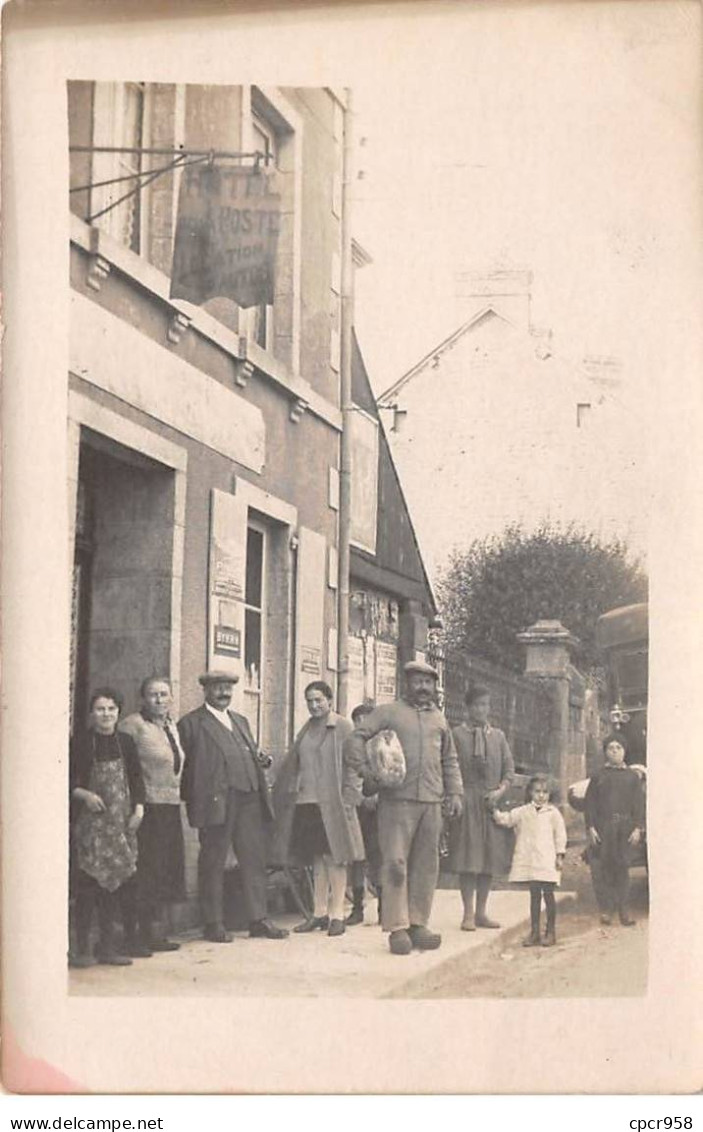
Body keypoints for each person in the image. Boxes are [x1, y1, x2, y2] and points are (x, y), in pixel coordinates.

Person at [344, 661, 463, 956]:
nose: (423, 687)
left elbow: (450, 759)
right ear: (406, 683)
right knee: (395, 863)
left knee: (426, 864)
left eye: (428, 682)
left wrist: (455, 792)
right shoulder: (388, 712)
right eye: (417, 681)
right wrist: (367, 771)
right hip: (396, 801)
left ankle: (418, 924)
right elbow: (355, 738)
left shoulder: (439, 719)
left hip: (432, 801)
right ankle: (397, 928)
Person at [178, 671, 288, 943]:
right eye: (218, 688)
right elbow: (185, 767)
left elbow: (247, 752)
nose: (224, 693)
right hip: (217, 802)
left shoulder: (240, 721)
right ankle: (213, 923)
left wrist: (259, 759)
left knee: (254, 859)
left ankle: (258, 919)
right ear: (205, 691)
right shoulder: (192, 724)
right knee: (213, 861)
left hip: (248, 799)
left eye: (228, 688)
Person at [272, 681, 365, 937]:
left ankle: (337, 915)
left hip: (334, 803)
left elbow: (356, 764)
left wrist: (350, 797)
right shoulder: (306, 729)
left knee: (336, 857)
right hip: (307, 802)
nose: (314, 705)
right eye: (309, 701)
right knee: (316, 858)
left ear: (330, 700)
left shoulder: (343, 726)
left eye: (318, 700)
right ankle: (319, 913)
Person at [69, 687, 145, 968]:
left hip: (120, 824)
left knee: (115, 884)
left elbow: (137, 780)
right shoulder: (80, 742)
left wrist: (139, 808)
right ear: (92, 713)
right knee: (88, 884)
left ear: (118, 712)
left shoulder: (125, 742)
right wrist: (85, 795)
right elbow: (66, 780)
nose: (106, 714)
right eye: (100, 709)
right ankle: (82, 949)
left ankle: (108, 948)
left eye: (111, 709)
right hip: (91, 824)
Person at [119, 676, 186, 955]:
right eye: (153, 694)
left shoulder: (170, 725)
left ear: (171, 698)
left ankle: (153, 934)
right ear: (143, 698)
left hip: (169, 806)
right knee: (144, 870)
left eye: (164, 694)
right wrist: (136, 805)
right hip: (146, 808)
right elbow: (125, 770)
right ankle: (133, 936)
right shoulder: (133, 725)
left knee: (162, 871)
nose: (159, 700)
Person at [446, 685, 515, 931]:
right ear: (467, 708)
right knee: (468, 859)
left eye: (485, 705)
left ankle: (482, 913)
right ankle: (467, 913)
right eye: (476, 705)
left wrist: (500, 791)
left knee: (488, 858)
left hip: (490, 803)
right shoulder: (456, 735)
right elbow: (449, 767)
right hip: (466, 801)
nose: (481, 710)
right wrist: (455, 796)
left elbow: (509, 770)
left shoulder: (498, 736)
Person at [492, 774, 567, 947]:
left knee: (548, 895)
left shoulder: (553, 813)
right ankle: (534, 932)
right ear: (530, 793)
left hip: (547, 861)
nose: (541, 796)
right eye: (537, 792)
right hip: (532, 861)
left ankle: (551, 932)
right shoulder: (523, 811)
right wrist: (493, 811)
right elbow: (507, 819)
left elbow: (560, 835)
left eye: (545, 792)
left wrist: (560, 856)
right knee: (534, 896)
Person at [584, 733, 645, 927]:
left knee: (622, 869)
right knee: (605, 869)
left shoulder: (632, 777)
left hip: (625, 830)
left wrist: (638, 828)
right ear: (605, 752)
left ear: (624, 751)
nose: (615, 751)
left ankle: (624, 911)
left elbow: (639, 805)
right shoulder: (599, 776)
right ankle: (606, 910)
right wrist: (591, 827)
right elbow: (590, 803)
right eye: (611, 748)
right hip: (604, 828)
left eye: (618, 747)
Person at [345, 702, 382, 927]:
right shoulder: (351, 746)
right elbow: (350, 776)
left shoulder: (384, 745)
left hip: (380, 808)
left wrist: (378, 798)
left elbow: (394, 774)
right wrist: (361, 799)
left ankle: (384, 907)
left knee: (380, 857)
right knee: (356, 858)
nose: (362, 726)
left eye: (366, 721)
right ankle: (357, 907)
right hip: (357, 807)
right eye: (357, 722)